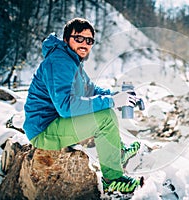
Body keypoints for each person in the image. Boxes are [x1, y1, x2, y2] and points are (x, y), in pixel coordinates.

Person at [23, 18, 143, 194]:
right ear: (66, 40)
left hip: (56, 123)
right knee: (105, 117)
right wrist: (113, 102)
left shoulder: (71, 61)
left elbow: (91, 89)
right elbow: (66, 106)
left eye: (89, 40)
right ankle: (112, 179)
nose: (84, 44)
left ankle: (117, 151)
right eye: (78, 38)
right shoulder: (59, 62)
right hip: (44, 130)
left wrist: (118, 95)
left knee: (105, 110)